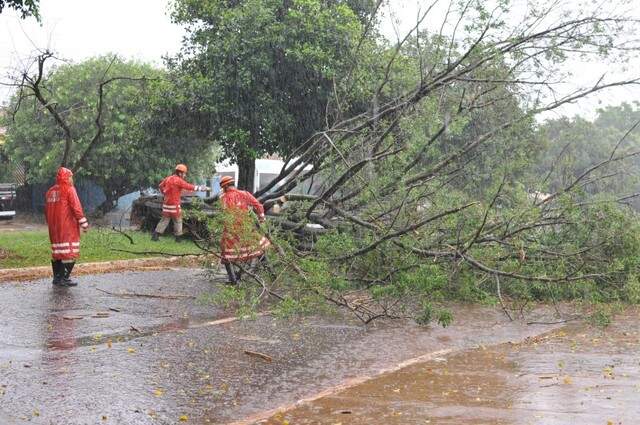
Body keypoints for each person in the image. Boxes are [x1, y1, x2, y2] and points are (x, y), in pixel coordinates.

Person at [219, 175, 271, 284]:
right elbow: (259, 206)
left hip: (230, 232)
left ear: (226, 186)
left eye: (223, 187)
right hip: (247, 229)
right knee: (259, 249)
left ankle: (233, 280)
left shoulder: (222, 198)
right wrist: (262, 219)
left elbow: (222, 215)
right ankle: (271, 273)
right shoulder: (244, 194)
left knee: (226, 255)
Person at [45, 167, 89, 287]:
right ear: (67, 177)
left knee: (58, 252)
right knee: (70, 253)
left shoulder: (50, 191)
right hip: (67, 227)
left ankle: (57, 278)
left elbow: (46, 210)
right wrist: (83, 222)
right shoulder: (69, 189)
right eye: (70, 176)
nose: (71, 179)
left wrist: (50, 223)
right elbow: (76, 208)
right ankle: (64, 278)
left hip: (54, 228)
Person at [152, 164, 209, 242]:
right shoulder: (178, 180)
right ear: (180, 173)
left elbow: (160, 186)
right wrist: (201, 188)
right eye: (184, 173)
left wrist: (164, 193)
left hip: (166, 205)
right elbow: (188, 186)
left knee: (164, 220)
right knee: (178, 221)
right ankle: (178, 238)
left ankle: (155, 235)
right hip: (174, 205)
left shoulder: (168, 178)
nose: (185, 175)